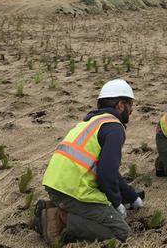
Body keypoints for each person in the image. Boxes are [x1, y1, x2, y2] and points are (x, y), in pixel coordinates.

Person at [34, 79, 144, 244]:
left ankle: (54, 207)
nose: (132, 110)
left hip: (56, 184)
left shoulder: (91, 122)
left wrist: (132, 197)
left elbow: (110, 173)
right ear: (120, 105)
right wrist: (117, 203)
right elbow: (106, 175)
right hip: (73, 191)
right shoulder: (114, 127)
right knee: (120, 231)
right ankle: (58, 220)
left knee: (103, 214)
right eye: (130, 104)